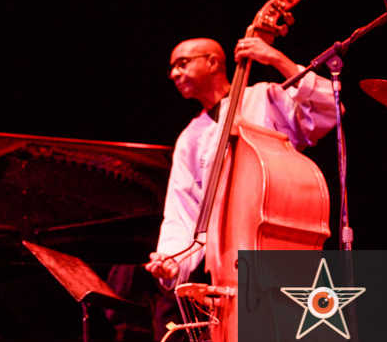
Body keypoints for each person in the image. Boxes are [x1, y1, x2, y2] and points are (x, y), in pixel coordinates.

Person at [145, 37, 338, 287]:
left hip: (281, 249)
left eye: (182, 64)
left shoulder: (264, 97)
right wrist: (172, 258)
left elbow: (329, 107)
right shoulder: (188, 138)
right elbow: (182, 211)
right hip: (228, 265)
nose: (174, 74)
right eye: (171, 68)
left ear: (212, 62)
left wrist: (276, 58)